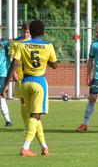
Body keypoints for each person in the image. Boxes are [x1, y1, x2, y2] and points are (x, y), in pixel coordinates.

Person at [2, 20, 57, 157]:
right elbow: (54, 65)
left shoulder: (22, 44)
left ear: (30, 32)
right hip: (39, 83)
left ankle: (44, 146)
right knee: (36, 115)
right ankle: (25, 147)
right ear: (43, 32)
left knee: (33, 117)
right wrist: (44, 59)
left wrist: (6, 85)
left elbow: (14, 64)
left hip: (24, 82)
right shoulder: (48, 46)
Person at [9, 22, 31, 127]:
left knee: (31, 102)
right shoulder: (15, 42)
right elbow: (12, 59)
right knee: (23, 102)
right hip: (20, 75)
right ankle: (27, 124)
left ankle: (32, 122)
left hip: (32, 76)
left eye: (28, 32)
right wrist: (13, 72)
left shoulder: (34, 43)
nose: (26, 34)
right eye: (24, 31)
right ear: (21, 30)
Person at [0, 25, 12, 126]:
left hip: (2, 74)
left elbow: (10, 57)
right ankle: (8, 120)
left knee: (1, 96)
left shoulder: (5, 42)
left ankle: (8, 120)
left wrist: (13, 73)